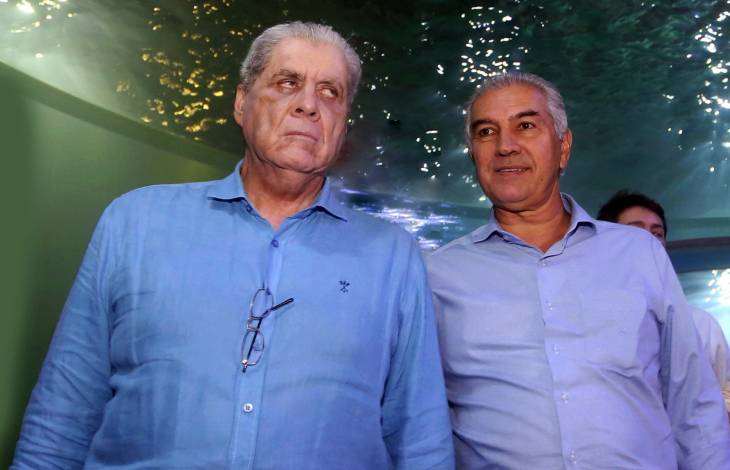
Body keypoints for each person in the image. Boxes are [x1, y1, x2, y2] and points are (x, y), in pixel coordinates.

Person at [12, 22, 453, 469]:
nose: (309, 105)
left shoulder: (393, 257)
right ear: (242, 102)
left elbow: (420, 439)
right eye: (288, 83)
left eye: (330, 92)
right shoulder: (134, 223)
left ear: (343, 123)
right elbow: (63, 413)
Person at [427, 71, 730, 469]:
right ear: (473, 155)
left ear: (564, 147)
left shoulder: (639, 254)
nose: (505, 146)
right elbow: (417, 420)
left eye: (526, 125)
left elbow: (694, 405)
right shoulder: (437, 275)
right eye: (486, 132)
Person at [598, 190, 730, 412]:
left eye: (657, 233)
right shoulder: (587, 323)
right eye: (635, 231)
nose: (650, 240)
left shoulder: (700, 325)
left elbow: (718, 399)